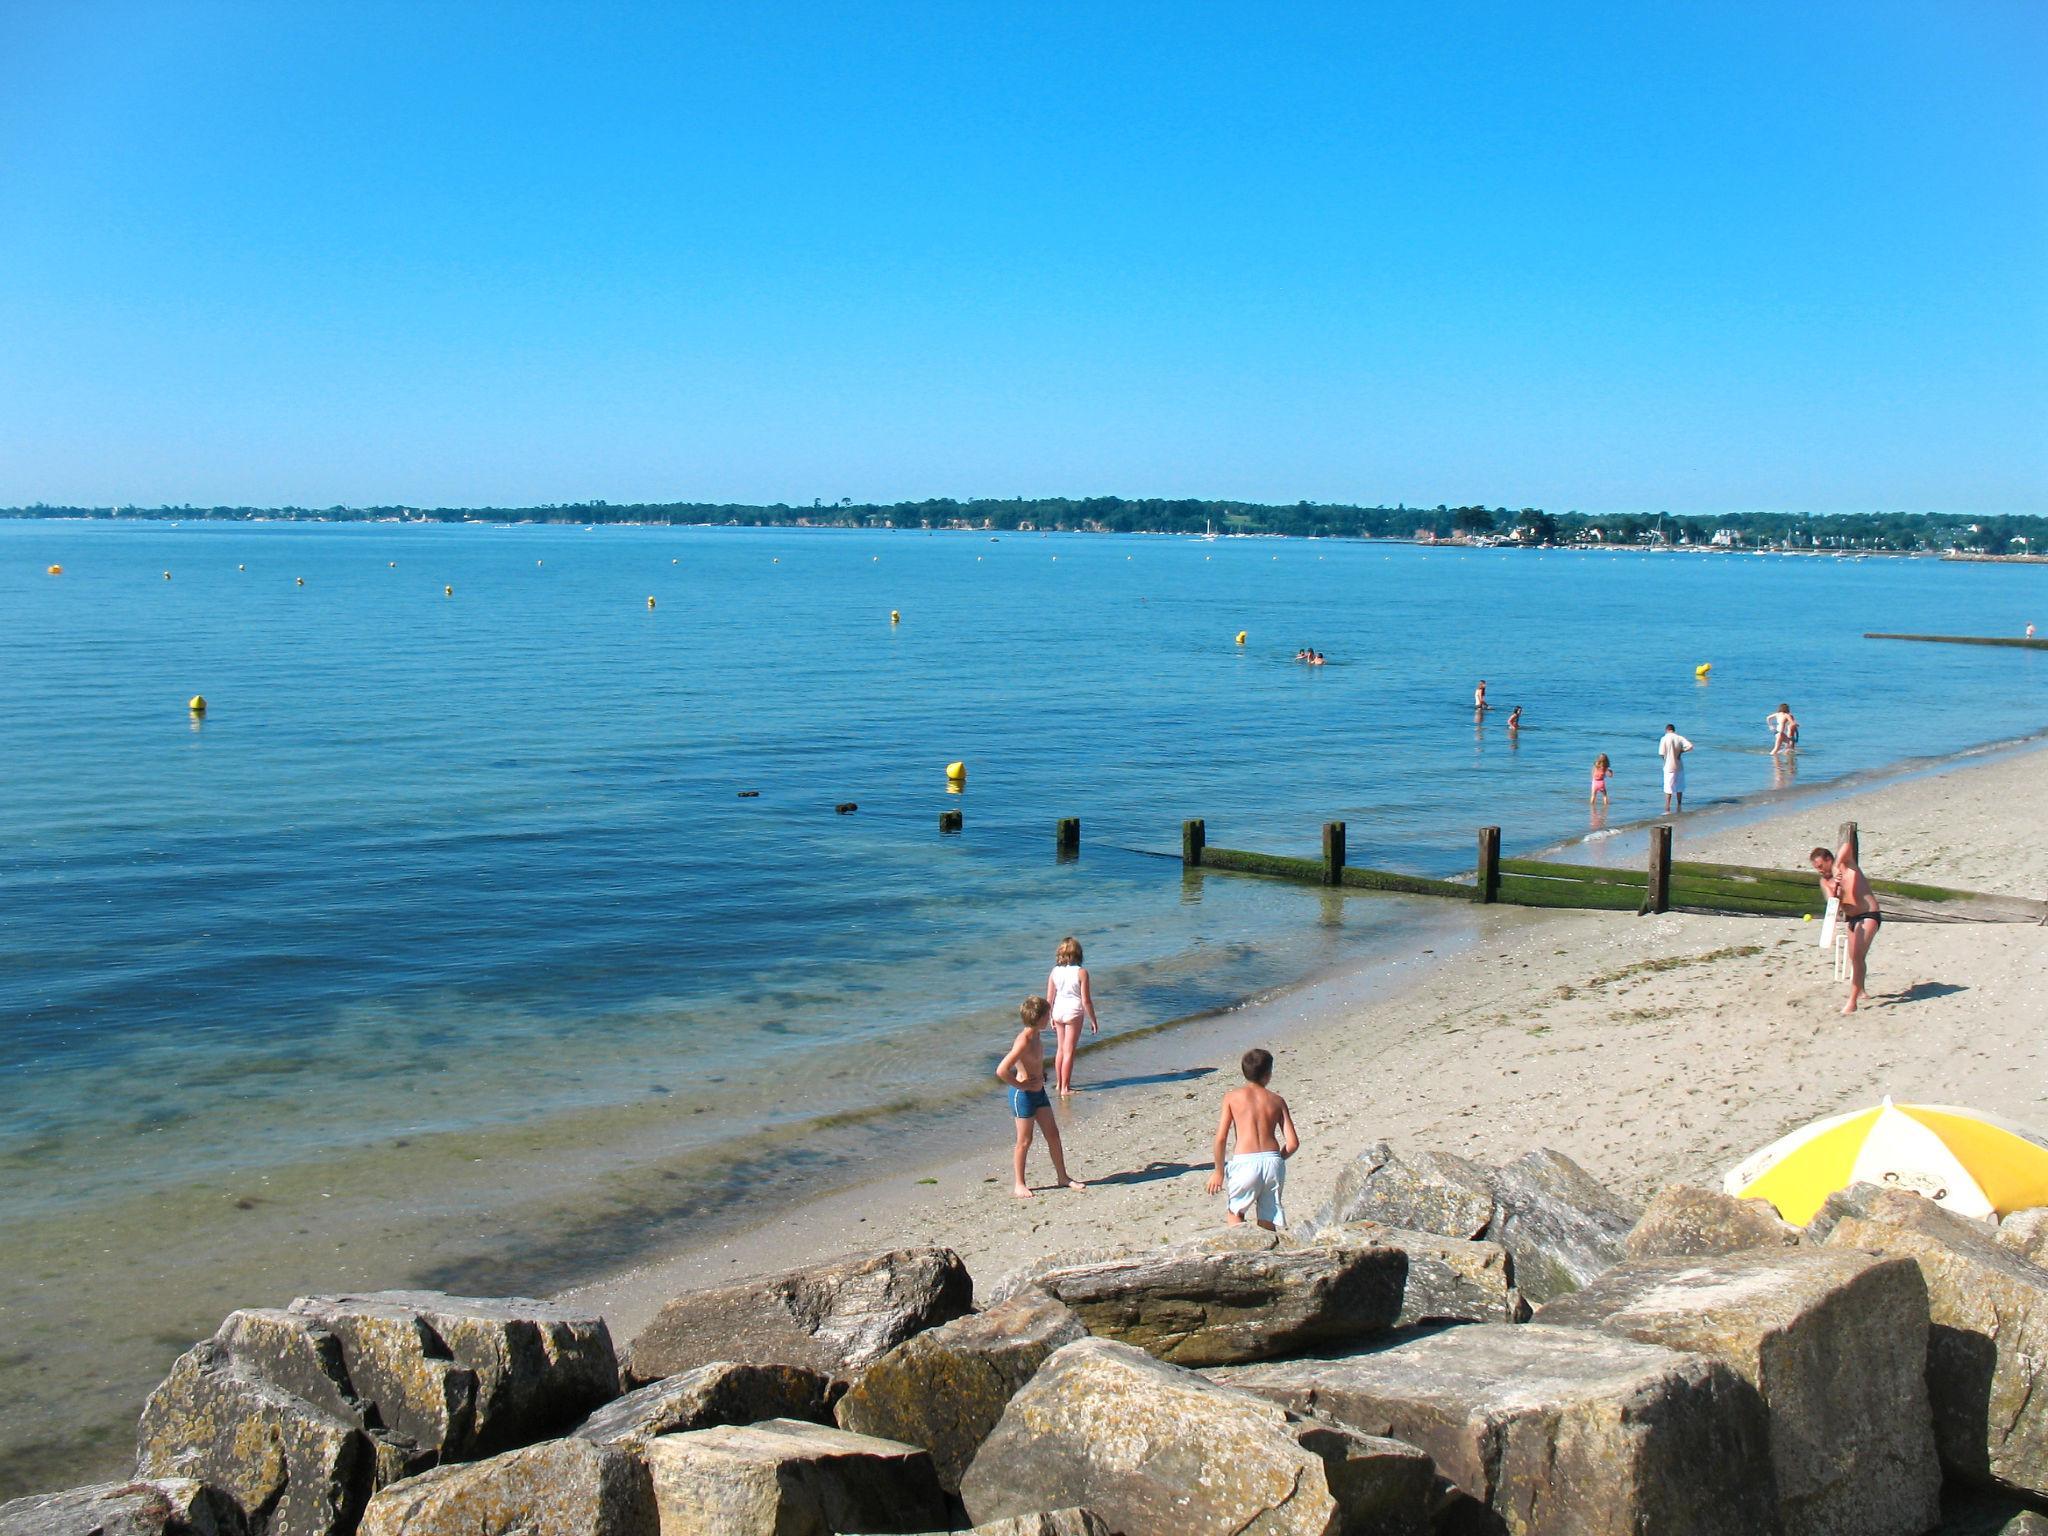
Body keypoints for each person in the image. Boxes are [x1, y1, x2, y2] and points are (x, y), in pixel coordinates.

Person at [996, 996, 1084, 1197]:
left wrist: (1040, 1072)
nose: (1050, 1017)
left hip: (1039, 1093)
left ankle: (1063, 1177)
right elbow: (1001, 1070)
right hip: (1023, 1096)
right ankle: (1019, 1184)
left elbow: (1031, 1059)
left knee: (1053, 1134)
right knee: (1025, 1140)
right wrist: (1022, 1084)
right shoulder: (1024, 1040)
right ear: (1039, 1017)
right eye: (1048, 1014)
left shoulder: (1036, 1035)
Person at [1205, 1047, 1299, 1230]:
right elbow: (1293, 1143)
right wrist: (1279, 1157)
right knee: (1268, 1216)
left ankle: (1242, 1251)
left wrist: (1219, 1172)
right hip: (1273, 1162)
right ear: (1268, 1074)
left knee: (1236, 1212)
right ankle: (1268, 1252)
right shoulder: (1277, 1100)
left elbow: (1221, 1138)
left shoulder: (1232, 1098)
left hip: (1245, 1162)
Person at [1812, 841, 1881, 1014]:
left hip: (1869, 914)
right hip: (1851, 918)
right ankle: (1862, 990)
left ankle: (1852, 1002)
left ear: (1829, 859)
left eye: (1821, 866)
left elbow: (1848, 844)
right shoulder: (1824, 882)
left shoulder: (1846, 865)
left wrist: (1836, 868)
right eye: (1816, 868)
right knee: (1856, 957)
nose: (1820, 870)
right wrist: (1835, 889)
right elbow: (1832, 903)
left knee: (1857, 957)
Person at [1044, 936, 1100, 1095]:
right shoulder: (1081, 972)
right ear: (1079, 954)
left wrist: (1049, 1017)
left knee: (1060, 1049)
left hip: (1057, 1011)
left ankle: (1059, 1083)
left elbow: (1049, 998)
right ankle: (1065, 1088)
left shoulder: (1055, 971)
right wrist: (1093, 1019)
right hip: (1073, 1011)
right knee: (1069, 1051)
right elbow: (1086, 1000)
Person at [1657, 723, 1693, 813]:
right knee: (1679, 787)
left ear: (1666, 730)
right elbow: (1690, 746)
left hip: (1668, 766)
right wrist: (1681, 751)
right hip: (1679, 765)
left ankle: (1667, 807)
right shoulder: (1679, 737)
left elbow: (1661, 753)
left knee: (1668, 788)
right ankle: (1679, 805)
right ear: (1674, 730)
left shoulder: (1664, 738)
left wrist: (1665, 759)